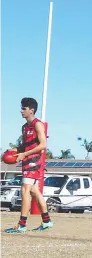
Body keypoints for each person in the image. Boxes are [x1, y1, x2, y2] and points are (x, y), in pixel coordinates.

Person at [5, 98, 53, 234]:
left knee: (25, 190)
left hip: (34, 161)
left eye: (24, 108)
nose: (21, 110)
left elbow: (43, 145)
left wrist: (24, 154)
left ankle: (22, 225)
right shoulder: (25, 127)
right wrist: (16, 150)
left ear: (31, 110)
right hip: (27, 160)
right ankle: (47, 221)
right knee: (34, 191)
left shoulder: (38, 125)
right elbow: (25, 145)